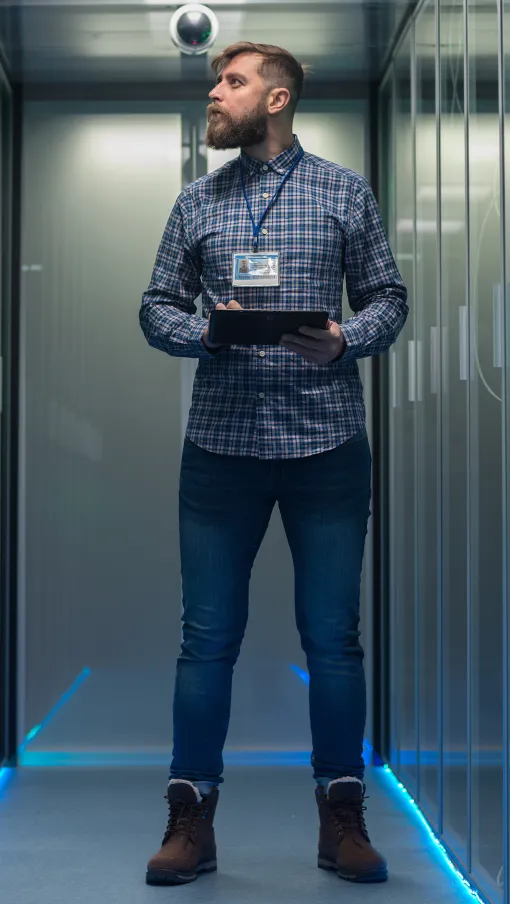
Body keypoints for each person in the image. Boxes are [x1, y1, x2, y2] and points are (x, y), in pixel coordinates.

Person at [139, 41, 408, 888]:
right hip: (221, 452)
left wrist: (343, 342)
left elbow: (388, 300)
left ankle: (342, 822)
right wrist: (205, 331)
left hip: (327, 447)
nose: (215, 93)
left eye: (233, 82)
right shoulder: (196, 204)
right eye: (217, 81)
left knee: (334, 643)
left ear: (278, 99)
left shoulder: (342, 192)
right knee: (204, 643)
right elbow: (155, 309)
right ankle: (191, 821)